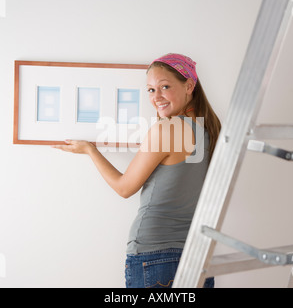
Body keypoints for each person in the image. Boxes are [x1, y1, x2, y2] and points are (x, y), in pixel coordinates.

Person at [52, 53, 221, 288]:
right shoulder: (208, 131)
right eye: (151, 90)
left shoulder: (168, 130)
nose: (156, 97)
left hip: (157, 254)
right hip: (197, 255)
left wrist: (91, 150)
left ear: (189, 86)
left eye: (165, 87)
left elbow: (124, 188)